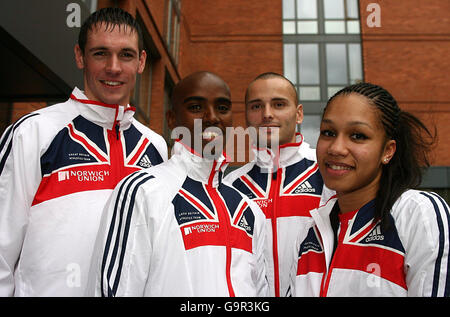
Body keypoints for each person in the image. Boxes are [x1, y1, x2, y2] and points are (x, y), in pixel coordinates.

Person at [0, 7, 167, 296]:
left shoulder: (156, 147)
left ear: (141, 61)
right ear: (80, 56)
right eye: (100, 53)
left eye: (126, 55)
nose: (113, 67)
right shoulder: (33, 132)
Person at [86, 71, 268, 297]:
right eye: (196, 107)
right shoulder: (142, 191)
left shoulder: (248, 209)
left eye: (222, 108)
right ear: (172, 119)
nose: (212, 117)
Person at [291, 82, 449, 297]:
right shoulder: (312, 231)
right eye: (328, 132)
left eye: (357, 136)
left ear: (387, 150)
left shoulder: (418, 212)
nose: (336, 148)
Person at [224, 72, 332, 296]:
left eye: (279, 104)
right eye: (256, 107)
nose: (267, 114)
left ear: (299, 113)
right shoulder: (230, 186)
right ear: (246, 116)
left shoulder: (328, 173)